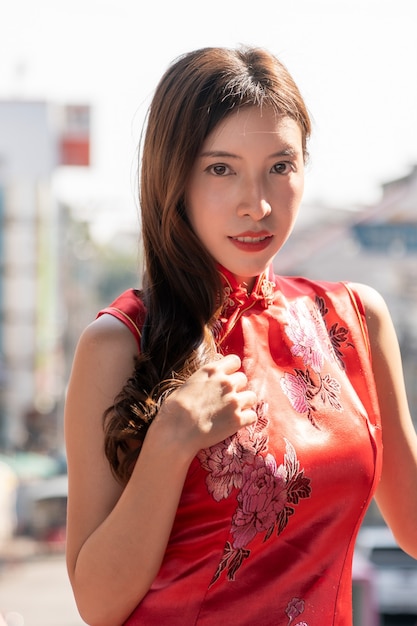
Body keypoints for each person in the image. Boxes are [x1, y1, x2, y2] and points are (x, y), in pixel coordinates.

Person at [64, 46, 417, 626]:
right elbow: (98, 606)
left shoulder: (355, 320)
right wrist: (172, 439)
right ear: (173, 176)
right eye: (221, 168)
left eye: (280, 166)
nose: (257, 205)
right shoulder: (120, 343)